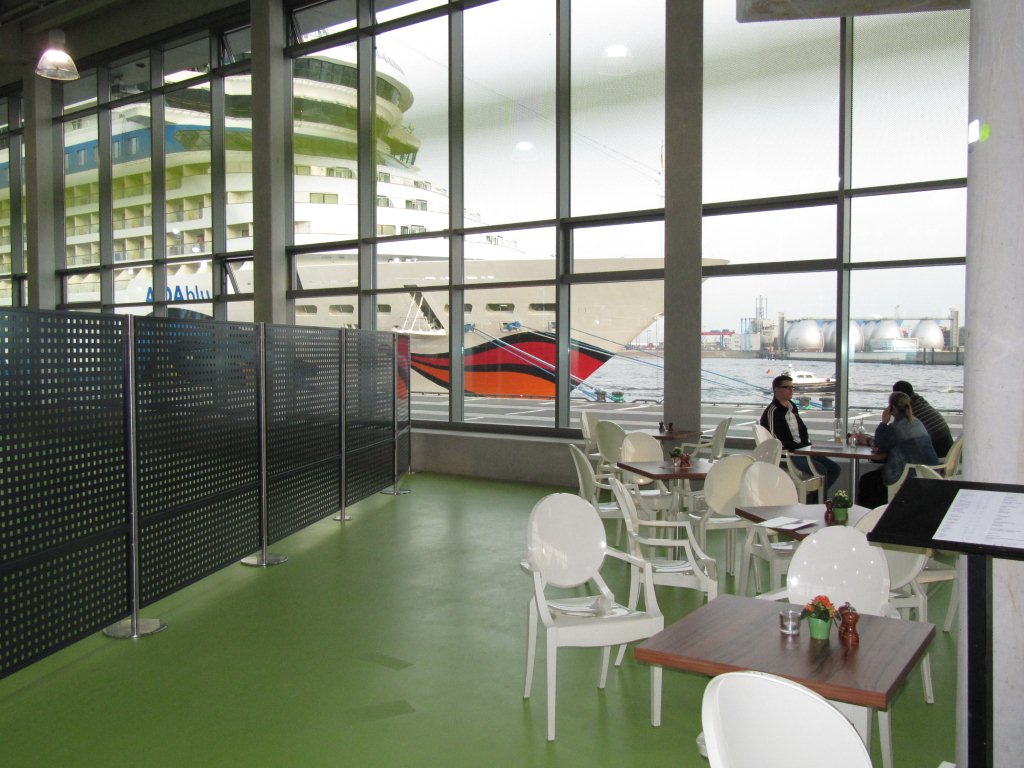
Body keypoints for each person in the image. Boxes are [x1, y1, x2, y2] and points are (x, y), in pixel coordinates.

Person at [760, 374, 839, 501]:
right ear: (776, 390)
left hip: (803, 450)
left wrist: (805, 445)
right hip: (790, 454)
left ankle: (812, 501)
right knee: (822, 471)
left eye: (792, 387)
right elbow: (775, 440)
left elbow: (802, 429)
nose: (791, 390)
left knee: (834, 469)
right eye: (787, 387)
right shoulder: (772, 411)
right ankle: (820, 505)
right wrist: (798, 448)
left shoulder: (792, 406)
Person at [858, 391, 939, 508]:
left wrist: (884, 422)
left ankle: (873, 514)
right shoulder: (916, 422)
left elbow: (880, 444)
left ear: (892, 407)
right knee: (875, 478)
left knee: (867, 481)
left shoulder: (896, 427)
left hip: (910, 474)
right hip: (929, 472)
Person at [892, 380, 954, 458]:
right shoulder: (920, 401)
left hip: (937, 455)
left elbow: (895, 438)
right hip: (949, 451)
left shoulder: (908, 411)